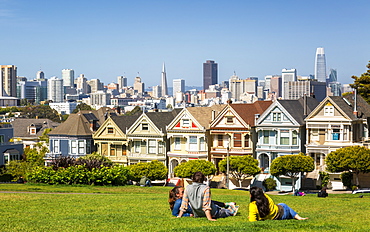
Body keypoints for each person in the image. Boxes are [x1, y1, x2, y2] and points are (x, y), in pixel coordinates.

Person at [169, 186, 236, 217]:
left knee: (209, 202)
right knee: (217, 210)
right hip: (200, 210)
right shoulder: (179, 201)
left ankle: (227, 206)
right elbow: (174, 214)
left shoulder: (185, 199)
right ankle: (230, 210)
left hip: (201, 209)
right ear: (177, 194)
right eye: (182, 192)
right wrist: (188, 215)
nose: (185, 193)